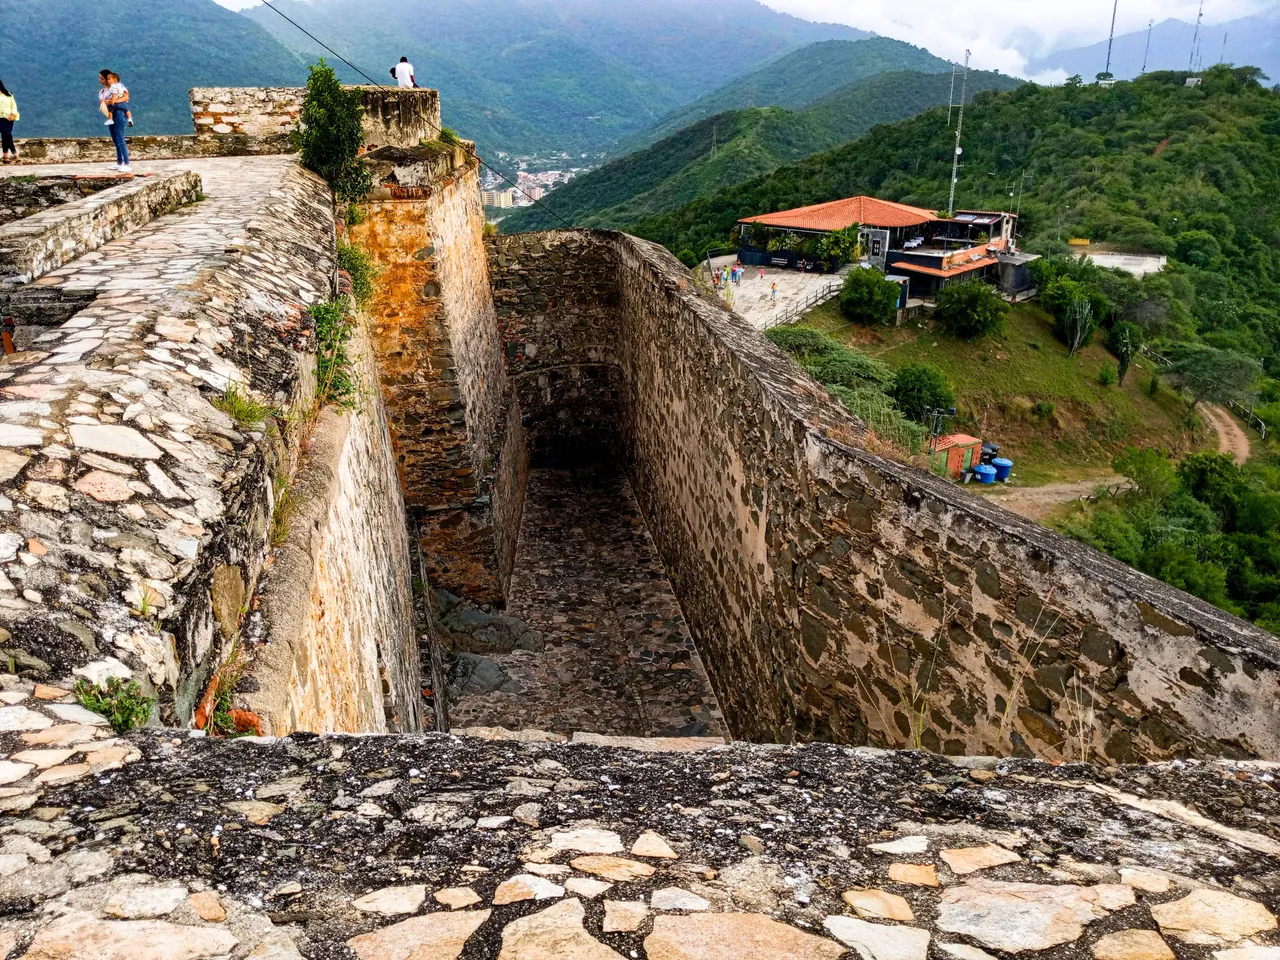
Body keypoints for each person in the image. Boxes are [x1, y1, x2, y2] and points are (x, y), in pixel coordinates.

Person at [99, 70, 132, 173]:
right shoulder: (102, 92)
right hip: (110, 113)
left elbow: (126, 98)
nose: (100, 80)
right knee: (115, 138)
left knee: (120, 137)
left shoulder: (118, 87)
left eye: (102, 78)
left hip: (118, 113)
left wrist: (112, 102)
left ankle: (126, 163)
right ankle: (119, 162)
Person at [0, 79, 18, 163]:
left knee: (5, 136)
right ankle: (15, 153)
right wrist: (4, 115)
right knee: (8, 134)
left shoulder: (8, 94)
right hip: (1, 118)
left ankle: (5, 155)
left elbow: (13, 105)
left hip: (11, 118)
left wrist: (13, 114)